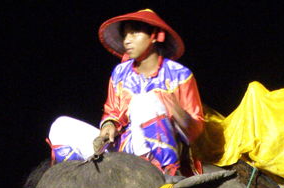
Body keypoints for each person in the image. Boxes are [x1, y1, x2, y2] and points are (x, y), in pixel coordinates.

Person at [49, 9, 204, 176]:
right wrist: (109, 124)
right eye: (125, 35)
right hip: (121, 152)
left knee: (144, 101)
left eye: (134, 33)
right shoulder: (120, 73)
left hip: (153, 150)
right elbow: (113, 111)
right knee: (60, 125)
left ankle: (169, 175)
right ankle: (87, 180)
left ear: (155, 35)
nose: (127, 41)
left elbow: (197, 130)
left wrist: (181, 117)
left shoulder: (180, 75)